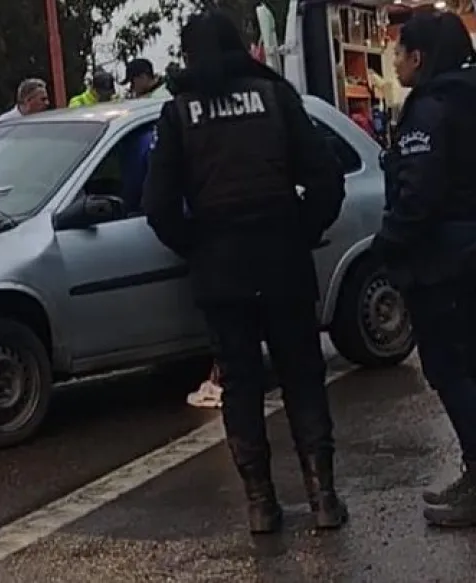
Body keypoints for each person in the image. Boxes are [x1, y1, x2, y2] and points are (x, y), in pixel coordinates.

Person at [141, 10, 347, 534]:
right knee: (302, 377)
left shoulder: (179, 114)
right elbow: (326, 179)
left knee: (239, 385)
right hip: (283, 259)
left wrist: (199, 245)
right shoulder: (275, 97)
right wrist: (300, 229)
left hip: (221, 269)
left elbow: (158, 206)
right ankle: (323, 498)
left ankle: (260, 504)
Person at [369, 11, 476, 528]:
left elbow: (419, 196)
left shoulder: (431, 110)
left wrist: (386, 244)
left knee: (451, 372)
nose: (394, 60)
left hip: (446, 264)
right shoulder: (466, 97)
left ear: (419, 57)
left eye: (399, 51)